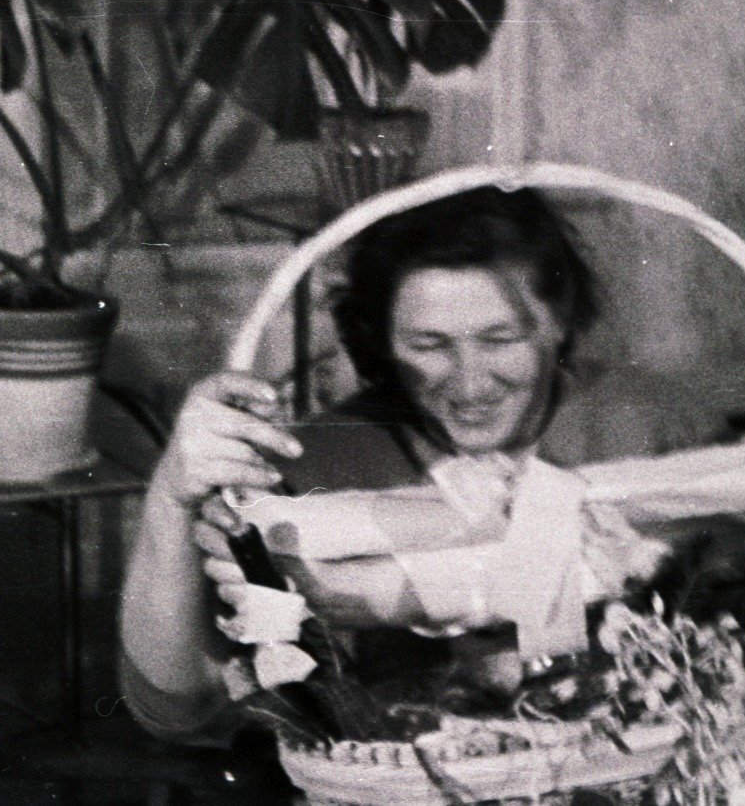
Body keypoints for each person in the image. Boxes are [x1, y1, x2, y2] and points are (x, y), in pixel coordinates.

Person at [117, 186, 672, 745]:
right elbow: (178, 708)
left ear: (559, 319)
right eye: (428, 345)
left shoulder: (651, 426)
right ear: (382, 338)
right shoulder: (317, 469)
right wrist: (169, 498)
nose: (471, 381)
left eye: (501, 338)